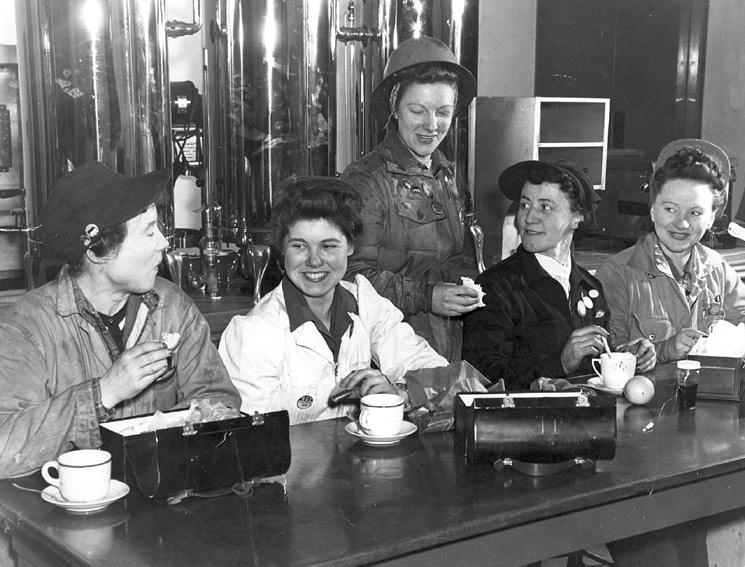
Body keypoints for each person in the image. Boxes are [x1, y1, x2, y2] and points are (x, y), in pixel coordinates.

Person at [0, 162, 241, 479]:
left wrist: (163, 434)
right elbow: (4, 448)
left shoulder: (171, 305)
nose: (164, 243)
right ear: (98, 253)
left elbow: (220, 401)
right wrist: (103, 393)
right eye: (148, 232)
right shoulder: (26, 326)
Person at [218, 177, 448, 425]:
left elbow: (441, 374)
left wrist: (399, 393)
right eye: (299, 246)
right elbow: (262, 445)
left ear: (349, 246)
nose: (314, 260)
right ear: (283, 249)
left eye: (328, 246)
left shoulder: (364, 302)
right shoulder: (254, 333)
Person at [341, 36, 481, 361]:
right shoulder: (366, 179)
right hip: (388, 348)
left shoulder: (446, 173)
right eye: (417, 110)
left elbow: (444, 263)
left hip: (445, 339)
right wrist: (426, 296)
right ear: (395, 107)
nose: (432, 126)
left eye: (443, 112)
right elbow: (349, 276)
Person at [462, 160, 656, 389]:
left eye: (545, 207)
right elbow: (483, 376)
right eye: (524, 205)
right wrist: (561, 363)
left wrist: (626, 357)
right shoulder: (494, 287)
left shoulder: (589, 286)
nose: (528, 218)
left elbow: (593, 368)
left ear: (577, 217)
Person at [596, 138, 745, 363]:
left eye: (695, 213)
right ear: (653, 210)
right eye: (670, 209)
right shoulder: (617, 274)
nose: (681, 223)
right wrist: (666, 349)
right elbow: (606, 357)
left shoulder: (719, 271)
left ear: (712, 218)